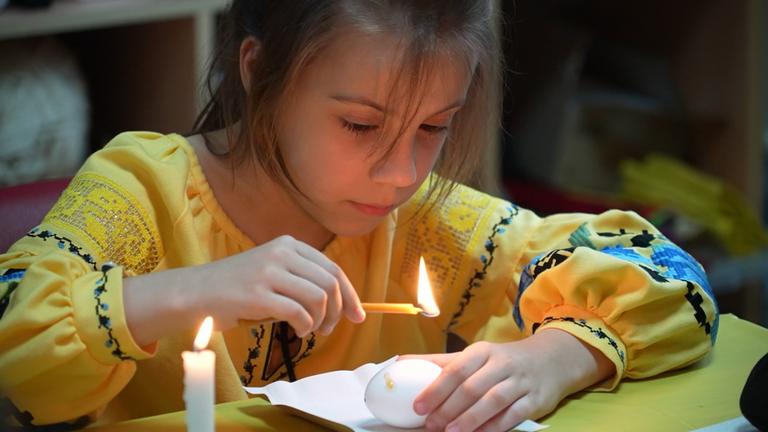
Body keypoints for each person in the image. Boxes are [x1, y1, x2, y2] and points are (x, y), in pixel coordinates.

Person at [0, 1, 719, 431]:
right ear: (257, 73)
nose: (402, 173)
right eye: (360, 125)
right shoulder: (141, 193)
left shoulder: (425, 224)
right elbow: (17, 347)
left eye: (434, 128)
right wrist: (188, 290)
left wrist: (556, 357)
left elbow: (672, 280)